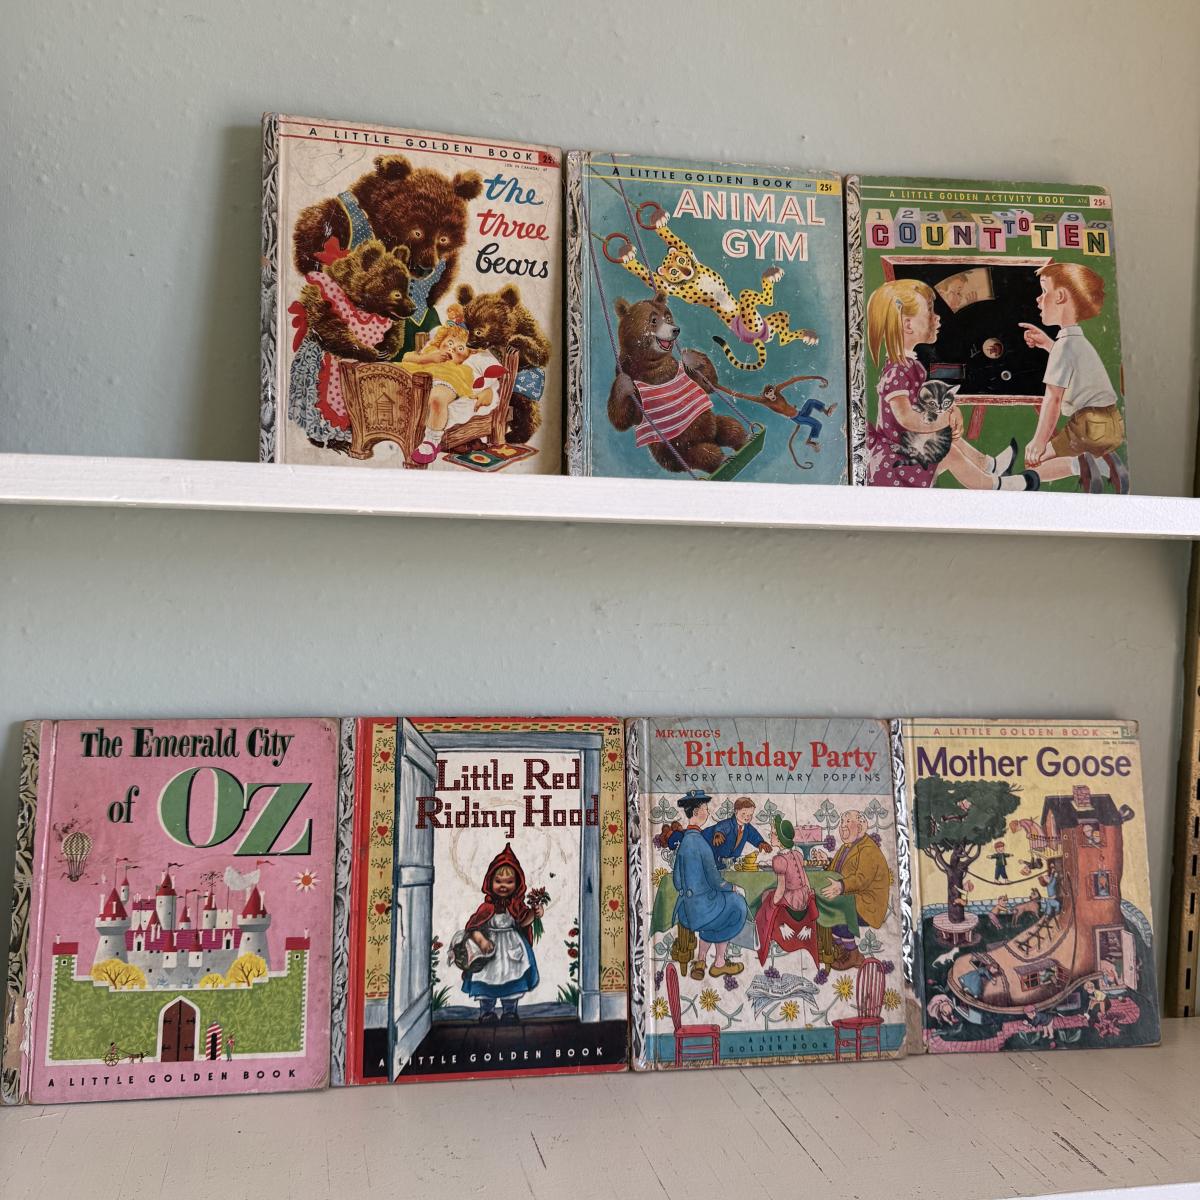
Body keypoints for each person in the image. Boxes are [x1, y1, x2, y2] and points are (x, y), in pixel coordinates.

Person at [865, 278, 1032, 490]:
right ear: (908, 325)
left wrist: (950, 410)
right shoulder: (897, 371)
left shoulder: (910, 365)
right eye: (929, 312)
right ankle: (996, 485)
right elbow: (906, 417)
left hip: (913, 446)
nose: (937, 318)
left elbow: (924, 402)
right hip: (900, 458)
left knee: (947, 439)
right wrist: (943, 421)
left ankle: (989, 465)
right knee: (949, 452)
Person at [1018, 262, 1128, 493]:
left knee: (1035, 464)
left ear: (1060, 296)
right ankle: (1101, 462)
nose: (1038, 299)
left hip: (1088, 426)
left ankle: (1088, 465)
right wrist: (1048, 344)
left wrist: (1038, 441)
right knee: (1053, 455)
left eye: (1044, 291)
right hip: (1113, 423)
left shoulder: (1064, 346)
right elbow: (1073, 366)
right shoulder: (1078, 342)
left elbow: (1053, 399)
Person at [398, 306, 501, 465]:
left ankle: (431, 441)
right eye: (450, 342)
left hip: (444, 379)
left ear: (467, 356)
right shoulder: (431, 350)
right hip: (416, 377)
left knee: (437, 398)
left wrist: (487, 391)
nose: (452, 348)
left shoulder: (460, 369)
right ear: (441, 341)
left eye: (460, 348)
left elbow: (483, 381)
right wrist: (428, 358)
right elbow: (406, 358)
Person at [457, 844, 543, 1023]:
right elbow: (473, 927)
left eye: (509, 882)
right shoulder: (486, 907)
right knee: (486, 979)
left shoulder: (516, 905)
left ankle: (510, 1012)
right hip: (489, 951)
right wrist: (481, 941)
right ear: (490, 882)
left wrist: (534, 914)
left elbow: (523, 921)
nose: (503, 885)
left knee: (513, 978)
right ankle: (486, 1012)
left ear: (518, 884)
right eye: (498, 881)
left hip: (511, 950)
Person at [671, 790, 749, 980]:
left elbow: (677, 880)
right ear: (697, 812)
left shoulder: (685, 841)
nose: (708, 812)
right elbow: (715, 880)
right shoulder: (700, 842)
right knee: (737, 904)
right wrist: (733, 888)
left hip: (687, 909)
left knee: (718, 911)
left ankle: (701, 960)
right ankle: (719, 962)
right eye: (706, 808)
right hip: (704, 909)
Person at [818, 809, 893, 970]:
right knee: (825, 902)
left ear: (860, 827)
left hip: (868, 903)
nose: (843, 826)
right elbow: (837, 871)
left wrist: (841, 886)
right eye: (842, 822)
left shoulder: (867, 849)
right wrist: (826, 863)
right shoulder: (846, 847)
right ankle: (839, 948)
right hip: (852, 895)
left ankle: (853, 954)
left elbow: (861, 879)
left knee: (840, 908)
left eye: (848, 822)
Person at [663, 795, 772, 868]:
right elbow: (721, 827)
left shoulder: (747, 828)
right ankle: (673, 835)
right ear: (736, 811)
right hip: (708, 844)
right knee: (683, 839)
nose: (747, 817)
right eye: (744, 814)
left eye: (750, 815)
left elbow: (754, 836)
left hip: (725, 863)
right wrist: (718, 834)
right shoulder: (728, 823)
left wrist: (761, 843)